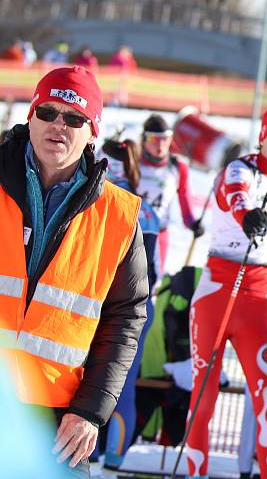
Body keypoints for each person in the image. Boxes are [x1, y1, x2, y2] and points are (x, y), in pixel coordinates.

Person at [0, 66, 149, 477]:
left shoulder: (119, 216)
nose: (58, 125)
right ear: (30, 116)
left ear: (92, 131)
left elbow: (125, 319)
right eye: (47, 112)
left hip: (59, 417)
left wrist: (90, 411)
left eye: (74, 118)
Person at [185, 107, 267, 478]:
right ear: (263, 138)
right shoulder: (239, 169)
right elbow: (237, 195)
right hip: (218, 293)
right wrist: (247, 214)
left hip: (257, 300)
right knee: (203, 402)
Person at [93, 138, 160, 469]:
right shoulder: (145, 208)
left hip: (99, 301)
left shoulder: (95, 196)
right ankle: (114, 463)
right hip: (139, 308)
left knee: (90, 379)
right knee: (123, 383)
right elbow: (155, 272)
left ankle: (88, 456)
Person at [138, 114, 202, 272]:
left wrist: (192, 223)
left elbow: (185, 198)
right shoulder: (132, 161)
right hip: (131, 232)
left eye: (165, 138)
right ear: (144, 139)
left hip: (159, 234)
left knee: (151, 283)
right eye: (154, 139)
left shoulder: (177, 167)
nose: (160, 144)